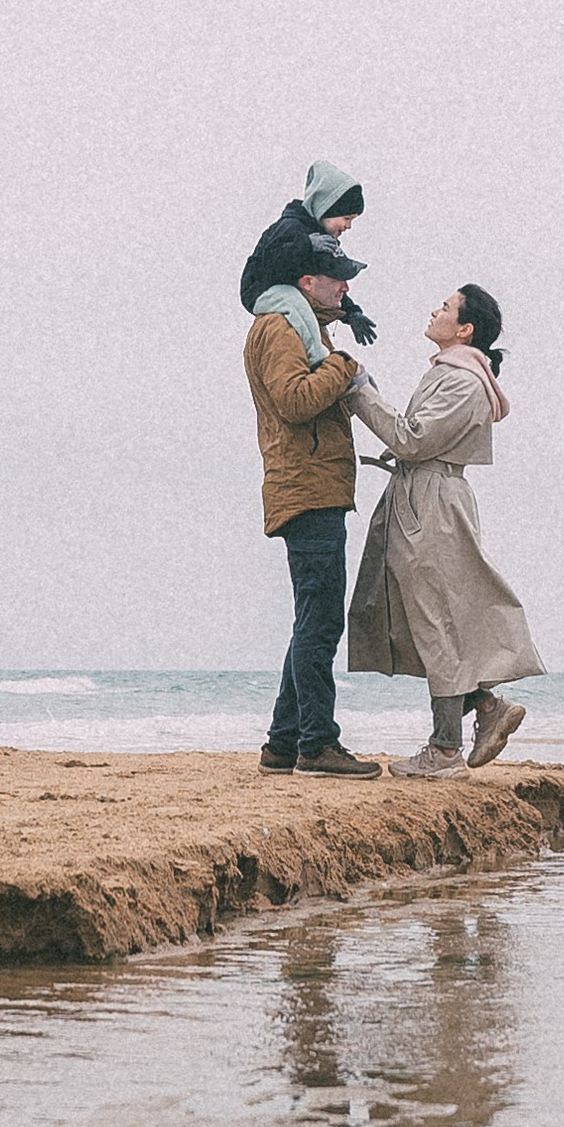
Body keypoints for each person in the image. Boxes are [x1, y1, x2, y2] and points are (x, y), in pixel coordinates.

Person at [347, 284, 542, 774]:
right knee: (432, 614)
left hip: (431, 501)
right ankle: (485, 707)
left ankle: (445, 748)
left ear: (465, 328)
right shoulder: (456, 375)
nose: (435, 310)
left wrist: (358, 391)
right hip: (426, 496)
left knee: (434, 618)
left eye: (446, 307)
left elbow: (413, 439)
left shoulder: (462, 381)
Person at [245, 238, 383, 777]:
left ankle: (283, 744)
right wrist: (345, 365)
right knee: (321, 623)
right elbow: (295, 400)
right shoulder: (281, 328)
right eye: (338, 278)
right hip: (307, 490)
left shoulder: (299, 325)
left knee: (312, 618)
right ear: (307, 282)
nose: (345, 288)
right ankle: (317, 745)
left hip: (308, 487)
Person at [238, 160, 376, 346]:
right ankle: (319, 357)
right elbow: (272, 265)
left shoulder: (319, 238)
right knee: (300, 310)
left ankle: (321, 359)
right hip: (260, 289)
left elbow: (326, 281)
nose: (348, 226)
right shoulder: (291, 228)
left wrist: (351, 312)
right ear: (327, 208)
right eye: (346, 218)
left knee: (304, 308)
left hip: (287, 287)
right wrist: (306, 244)